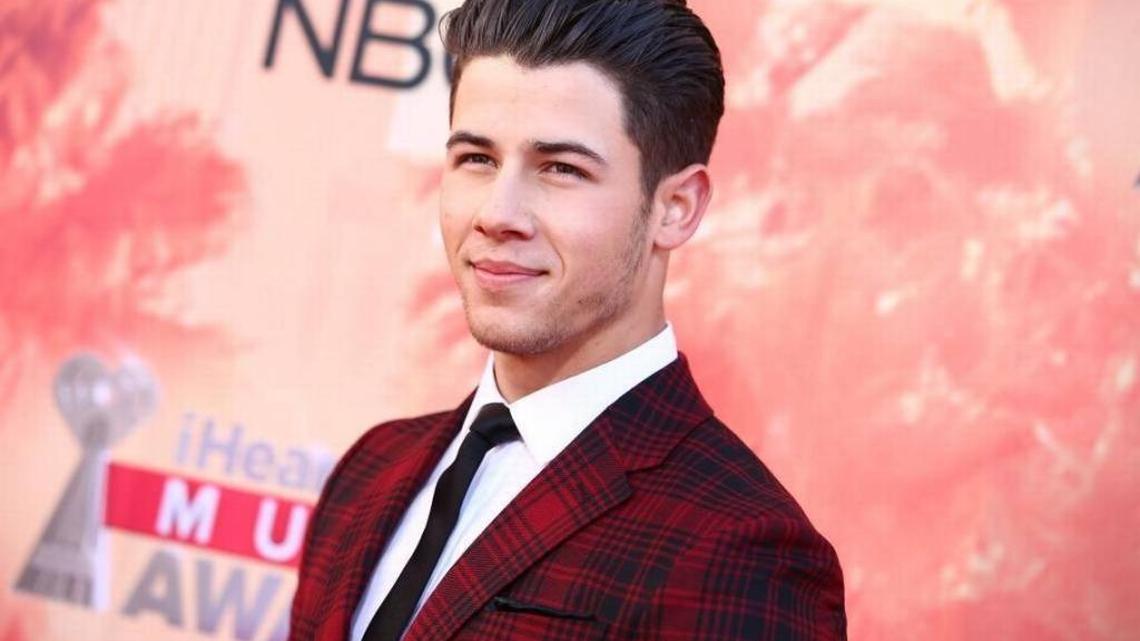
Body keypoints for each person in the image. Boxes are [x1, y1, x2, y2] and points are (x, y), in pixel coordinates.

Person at [289, 1, 847, 639]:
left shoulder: (741, 551)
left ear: (676, 207)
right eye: (476, 159)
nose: (498, 214)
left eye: (562, 169)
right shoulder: (372, 470)